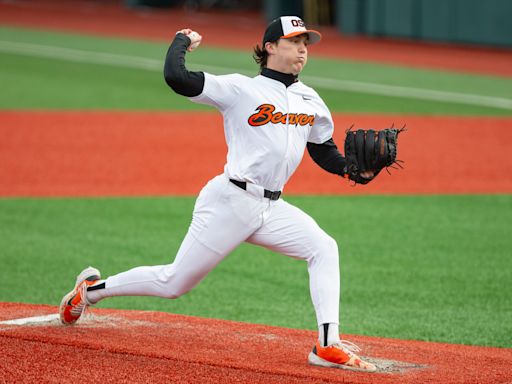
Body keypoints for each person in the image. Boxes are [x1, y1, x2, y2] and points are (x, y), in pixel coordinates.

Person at [59, 16, 377, 373]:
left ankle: (327, 344)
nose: (303, 49)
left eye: (306, 42)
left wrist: (352, 170)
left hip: (271, 208)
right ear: (270, 47)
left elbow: (323, 149)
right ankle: (89, 290)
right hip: (230, 201)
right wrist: (181, 41)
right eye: (293, 41)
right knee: (174, 282)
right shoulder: (240, 89)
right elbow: (177, 78)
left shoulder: (310, 99)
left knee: (323, 247)